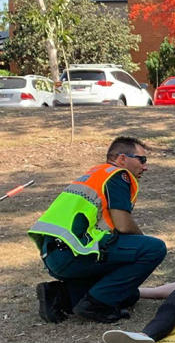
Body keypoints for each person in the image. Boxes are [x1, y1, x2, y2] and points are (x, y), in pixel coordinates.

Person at [29, 136, 167, 323]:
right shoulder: (118, 175)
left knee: (129, 296)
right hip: (75, 252)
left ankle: (60, 296)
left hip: (55, 254)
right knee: (153, 248)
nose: (145, 166)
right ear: (122, 159)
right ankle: (97, 304)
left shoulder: (95, 174)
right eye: (141, 159)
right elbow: (123, 224)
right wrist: (140, 241)